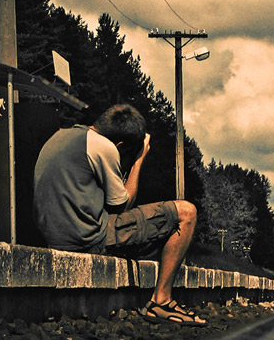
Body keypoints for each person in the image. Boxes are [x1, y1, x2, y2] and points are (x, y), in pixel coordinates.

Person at [33, 104, 207, 326]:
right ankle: (161, 301)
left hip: (55, 238)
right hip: (89, 238)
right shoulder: (102, 146)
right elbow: (122, 205)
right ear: (121, 145)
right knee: (186, 213)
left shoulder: (60, 136)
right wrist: (139, 159)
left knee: (154, 233)